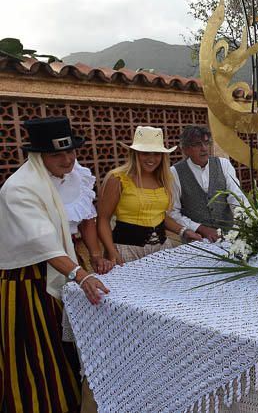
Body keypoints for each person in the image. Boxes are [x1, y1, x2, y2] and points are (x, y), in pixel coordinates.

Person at [0, 117, 109, 412]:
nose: (67, 159)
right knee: (38, 350)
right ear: (39, 156)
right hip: (29, 278)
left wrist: (94, 257)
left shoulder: (73, 176)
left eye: (71, 151)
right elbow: (42, 243)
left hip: (67, 265)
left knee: (67, 347)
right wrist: (81, 275)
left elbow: (86, 220)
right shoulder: (20, 189)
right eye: (57, 154)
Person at [97, 126, 201, 263]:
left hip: (161, 248)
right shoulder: (117, 179)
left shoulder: (163, 179)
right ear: (135, 154)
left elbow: (160, 215)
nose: (152, 159)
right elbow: (103, 219)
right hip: (127, 249)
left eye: (157, 154)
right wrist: (111, 251)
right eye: (145, 153)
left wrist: (184, 231)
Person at [170, 125, 248, 242]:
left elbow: (236, 197)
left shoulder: (224, 165)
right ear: (185, 149)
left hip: (230, 237)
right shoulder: (175, 172)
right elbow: (173, 212)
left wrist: (245, 223)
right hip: (197, 240)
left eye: (206, 143)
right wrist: (200, 228)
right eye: (197, 144)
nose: (204, 148)